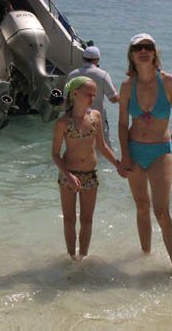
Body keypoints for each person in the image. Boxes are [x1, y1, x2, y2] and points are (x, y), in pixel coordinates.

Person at [117, 33, 172, 271]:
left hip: (160, 152)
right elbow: (123, 123)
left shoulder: (170, 82)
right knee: (142, 206)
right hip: (134, 150)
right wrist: (124, 155)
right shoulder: (126, 86)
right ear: (131, 55)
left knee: (161, 211)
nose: (143, 50)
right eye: (138, 47)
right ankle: (145, 258)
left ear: (155, 52)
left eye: (148, 47)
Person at [52, 76, 120, 260]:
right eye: (88, 94)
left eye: (94, 95)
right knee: (69, 219)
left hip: (91, 174)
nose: (92, 98)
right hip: (69, 175)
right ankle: (71, 256)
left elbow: (102, 146)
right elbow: (56, 155)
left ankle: (82, 257)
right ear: (75, 94)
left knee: (87, 220)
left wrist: (118, 165)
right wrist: (67, 175)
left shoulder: (95, 116)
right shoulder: (63, 122)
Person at [66, 46, 119, 147]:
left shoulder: (72, 75)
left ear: (83, 58)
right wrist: (115, 90)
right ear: (97, 59)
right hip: (98, 118)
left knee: (79, 148)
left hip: (76, 119)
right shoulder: (103, 75)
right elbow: (114, 99)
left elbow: (66, 100)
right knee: (102, 147)